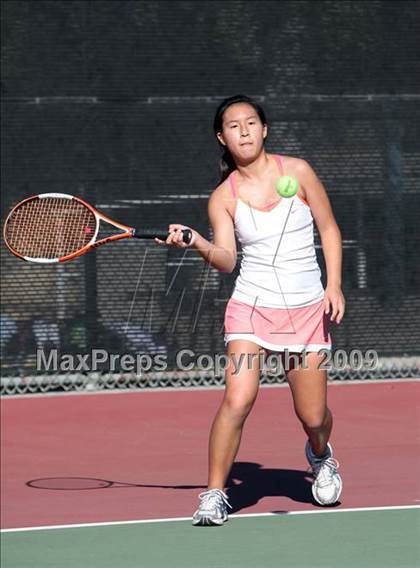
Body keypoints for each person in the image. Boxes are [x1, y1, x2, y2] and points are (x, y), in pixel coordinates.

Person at [155, 94, 345, 526]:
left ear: (264, 129)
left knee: (313, 416)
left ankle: (321, 455)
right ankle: (215, 494)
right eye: (233, 125)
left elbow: (329, 229)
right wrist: (197, 242)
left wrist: (333, 284)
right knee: (238, 399)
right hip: (251, 307)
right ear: (221, 137)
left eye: (251, 122)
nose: (243, 130)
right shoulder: (223, 197)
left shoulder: (296, 172)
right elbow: (226, 259)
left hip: (306, 308)